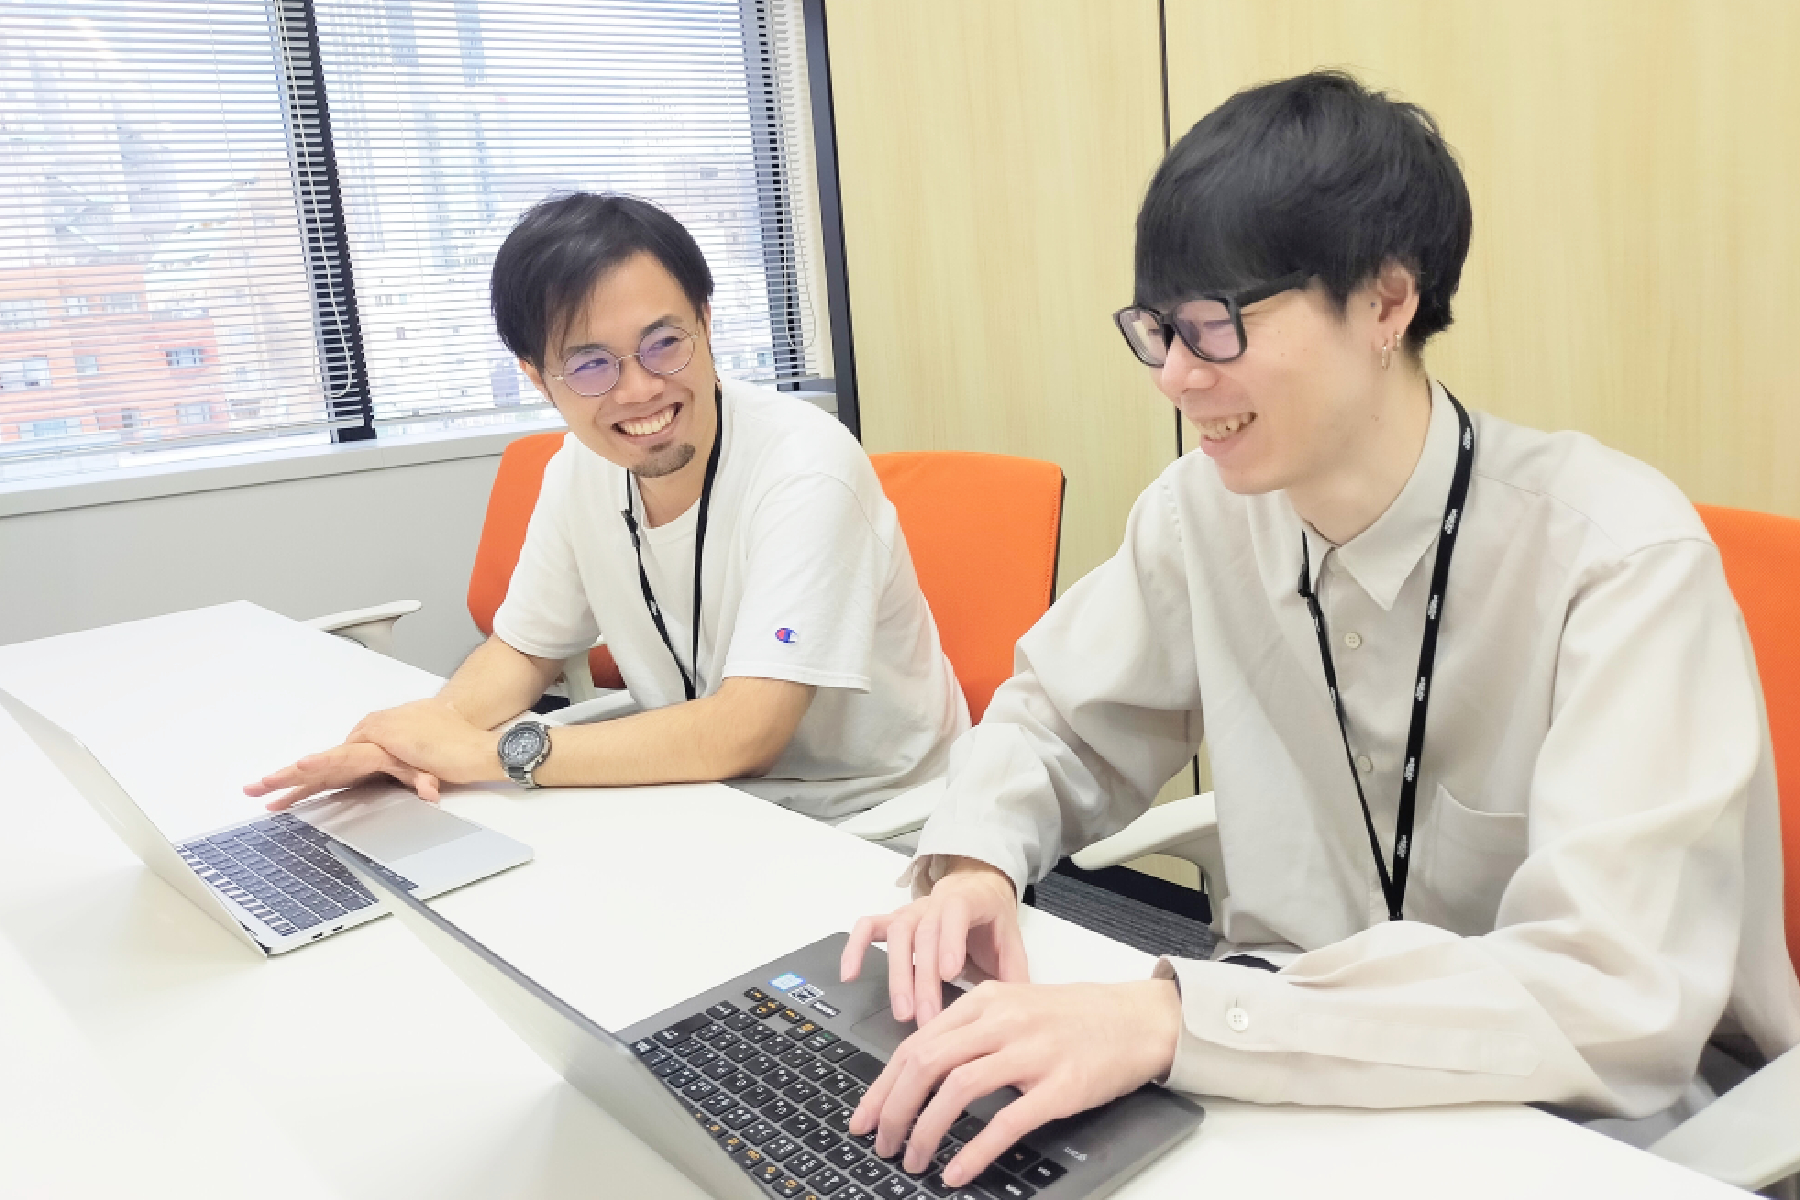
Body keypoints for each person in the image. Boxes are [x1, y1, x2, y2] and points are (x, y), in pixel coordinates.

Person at [839, 71, 1800, 1189]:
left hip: (1573, 1122)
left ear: (1387, 303)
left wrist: (1174, 1019)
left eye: (1218, 324)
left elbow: (1606, 996)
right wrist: (974, 863)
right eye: (1158, 329)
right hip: (1276, 1075)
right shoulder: (1202, 513)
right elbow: (1059, 721)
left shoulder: (1620, 561)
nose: (1176, 376)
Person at [247, 193, 968, 819]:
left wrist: (490, 752)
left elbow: (748, 731)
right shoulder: (580, 470)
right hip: (703, 800)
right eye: (591, 364)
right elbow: (524, 650)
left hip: (872, 819)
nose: (639, 389)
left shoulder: (805, 466)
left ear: (706, 323)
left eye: (664, 344)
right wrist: (412, 740)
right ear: (538, 378)